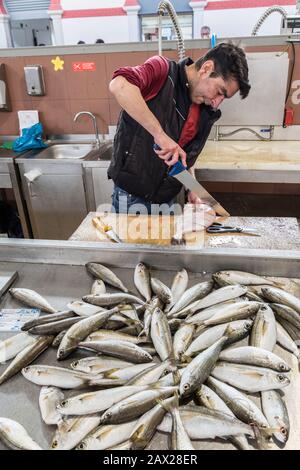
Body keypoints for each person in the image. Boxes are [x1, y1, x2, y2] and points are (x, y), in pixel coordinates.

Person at [108, 43, 250, 214]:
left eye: (224, 98)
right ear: (206, 69)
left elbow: (183, 156)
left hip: (166, 201)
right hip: (131, 199)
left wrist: (192, 188)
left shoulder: (203, 109)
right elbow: (119, 85)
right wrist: (159, 135)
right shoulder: (162, 70)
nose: (217, 102)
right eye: (220, 91)